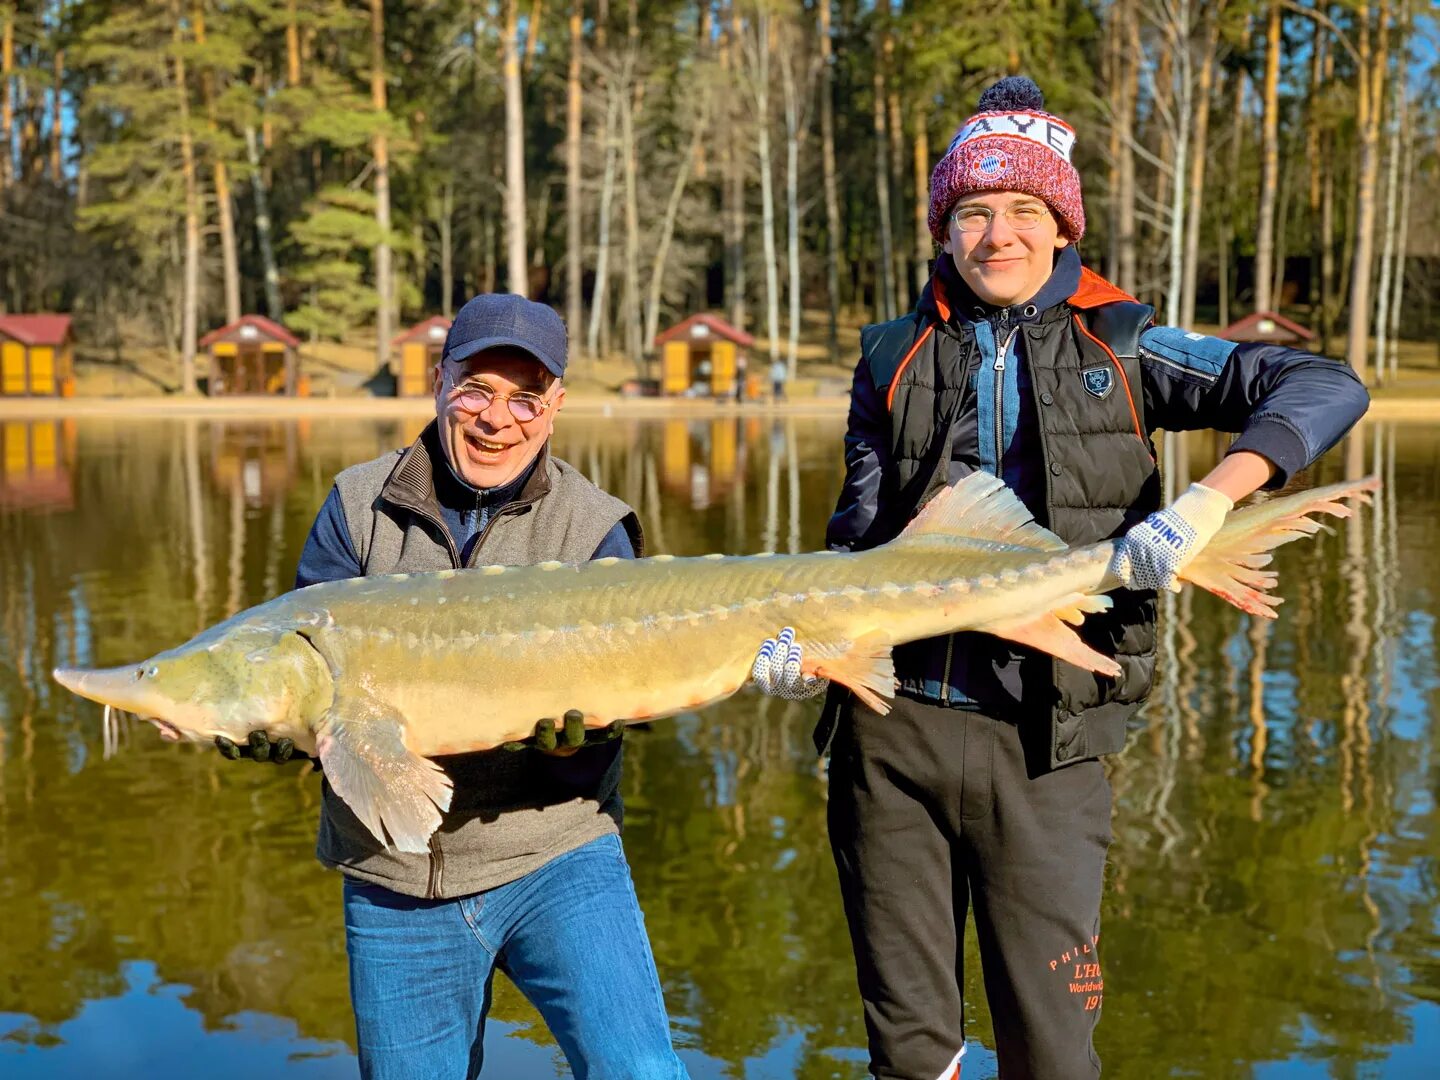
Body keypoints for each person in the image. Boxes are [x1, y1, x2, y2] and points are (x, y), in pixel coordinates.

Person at [750, 77, 1369, 1080]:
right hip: (889, 728)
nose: (999, 235)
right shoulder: (889, 357)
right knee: (908, 1052)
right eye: (974, 213)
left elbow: (1326, 384)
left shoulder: (1126, 344)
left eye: (1025, 211)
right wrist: (798, 645)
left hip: (1049, 735)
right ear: (946, 231)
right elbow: (857, 538)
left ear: (1062, 225)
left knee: (1052, 1045)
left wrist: (1214, 497)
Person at [220, 293, 687, 1080]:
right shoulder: (356, 505)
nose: (496, 418)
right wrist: (278, 729)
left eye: (526, 396)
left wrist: (586, 743)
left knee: (641, 1071)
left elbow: (631, 699)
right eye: (476, 388)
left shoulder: (594, 525)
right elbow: (309, 681)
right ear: (440, 383)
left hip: (557, 854)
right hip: (394, 876)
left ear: (557, 406)